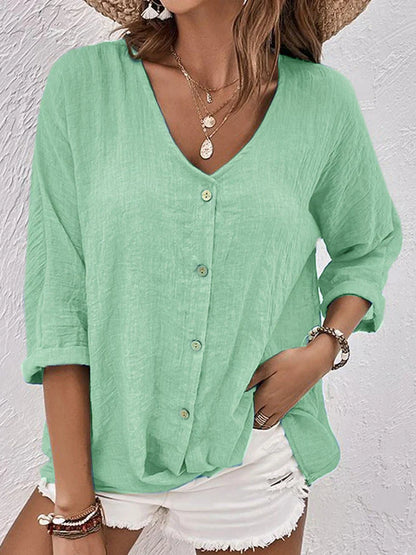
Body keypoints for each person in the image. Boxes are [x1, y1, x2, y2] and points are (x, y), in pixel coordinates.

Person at [1, 1, 403, 554]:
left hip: (252, 446)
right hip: (103, 446)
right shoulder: (86, 85)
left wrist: (324, 348)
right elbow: (59, 297)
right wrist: (73, 513)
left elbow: (369, 243)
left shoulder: (322, 103)